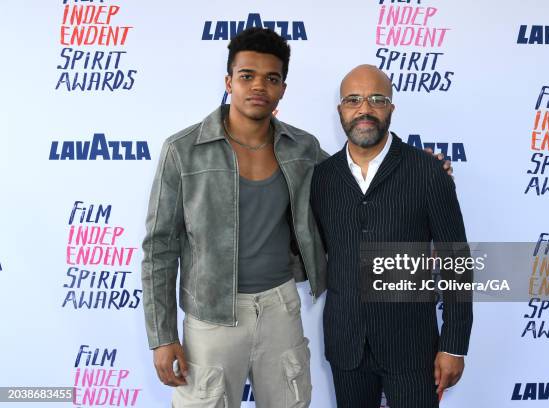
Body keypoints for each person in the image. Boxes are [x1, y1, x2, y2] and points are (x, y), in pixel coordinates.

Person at [140, 28, 328, 408]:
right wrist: (162, 336)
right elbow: (159, 247)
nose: (258, 86)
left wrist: (418, 169)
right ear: (229, 82)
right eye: (247, 76)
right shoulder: (183, 150)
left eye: (271, 78)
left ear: (282, 89)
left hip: (281, 308)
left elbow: (353, 182)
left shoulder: (303, 147)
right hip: (211, 317)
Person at [310, 65, 472, 408]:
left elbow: (456, 262)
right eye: (353, 100)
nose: (364, 109)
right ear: (340, 110)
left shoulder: (428, 172)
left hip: (412, 348)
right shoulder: (321, 179)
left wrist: (453, 344)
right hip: (346, 345)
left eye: (376, 99)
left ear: (391, 108)